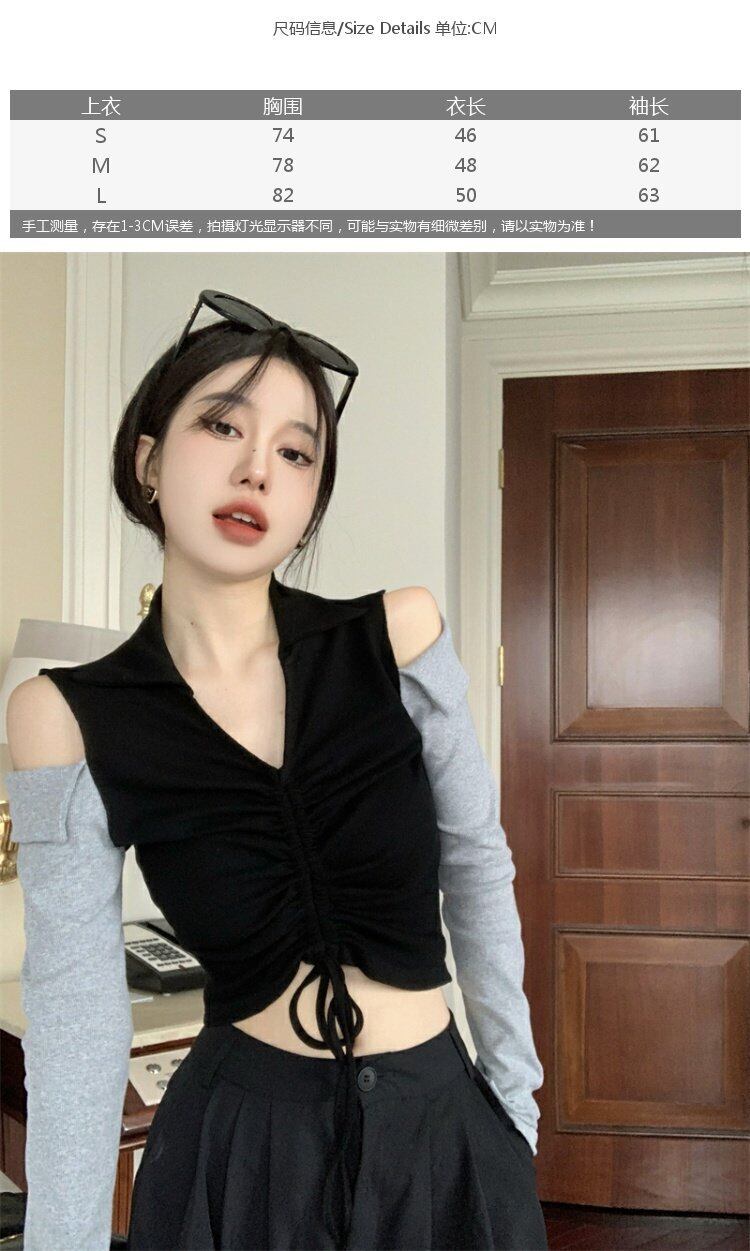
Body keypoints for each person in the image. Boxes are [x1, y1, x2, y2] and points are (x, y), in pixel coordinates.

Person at [4, 291, 548, 1251]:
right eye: (222, 425)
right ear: (148, 459)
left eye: (297, 452)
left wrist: (513, 1110)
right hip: (238, 1163)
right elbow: (77, 1017)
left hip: (442, 1141)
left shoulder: (399, 637)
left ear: (311, 499)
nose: (257, 467)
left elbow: (476, 864)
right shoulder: (68, 716)